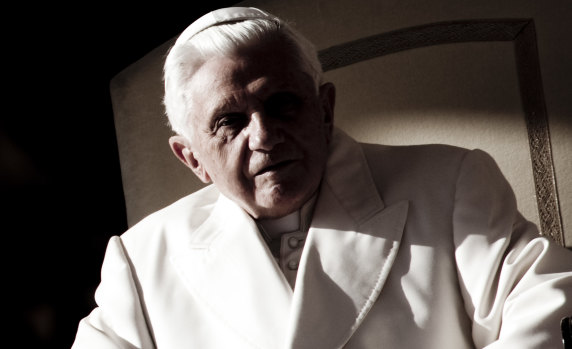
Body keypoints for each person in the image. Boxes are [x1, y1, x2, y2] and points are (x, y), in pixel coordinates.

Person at [72, 7, 572, 348]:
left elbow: (549, 301)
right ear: (192, 159)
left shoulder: (451, 184)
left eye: (281, 103)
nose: (264, 136)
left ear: (324, 108)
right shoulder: (140, 262)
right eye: (230, 122)